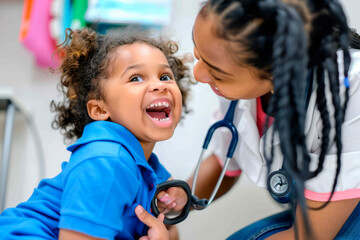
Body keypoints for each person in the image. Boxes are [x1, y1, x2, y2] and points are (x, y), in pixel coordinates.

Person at [137, 0, 360, 239]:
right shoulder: (242, 80)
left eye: (217, 72)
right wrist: (181, 198)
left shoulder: (348, 87)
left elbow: (308, 236)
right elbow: (227, 159)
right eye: (197, 54)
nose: (198, 74)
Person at [0, 27, 193, 239]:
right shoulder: (107, 160)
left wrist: (175, 205)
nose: (159, 85)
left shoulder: (147, 167)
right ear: (100, 109)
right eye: (136, 78)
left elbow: (165, 230)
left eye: (165, 76)